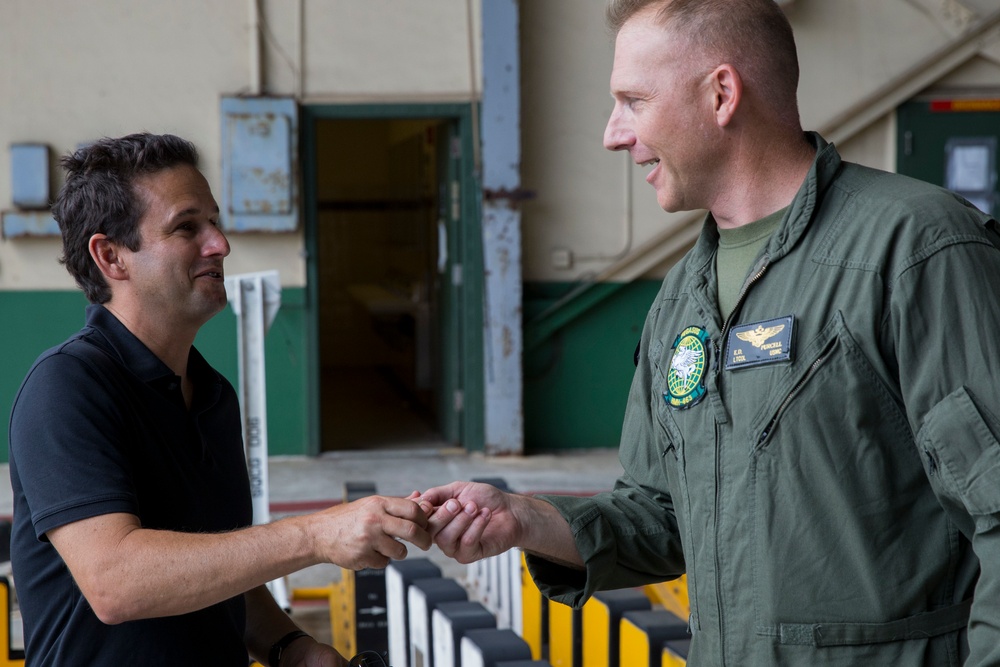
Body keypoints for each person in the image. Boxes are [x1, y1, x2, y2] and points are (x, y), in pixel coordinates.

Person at [418, 0, 1000, 665]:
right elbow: (661, 517)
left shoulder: (914, 250)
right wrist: (524, 519)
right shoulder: (679, 300)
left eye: (632, 101)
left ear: (722, 94)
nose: (613, 134)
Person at [8, 133, 432, 666]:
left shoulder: (211, 394)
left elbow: (216, 565)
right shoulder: (66, 387)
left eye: (215, 222)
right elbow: (117, 582)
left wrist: (291, 649)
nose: (220, 244)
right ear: (111, 256)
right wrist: (316, 534)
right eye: (187, 227)